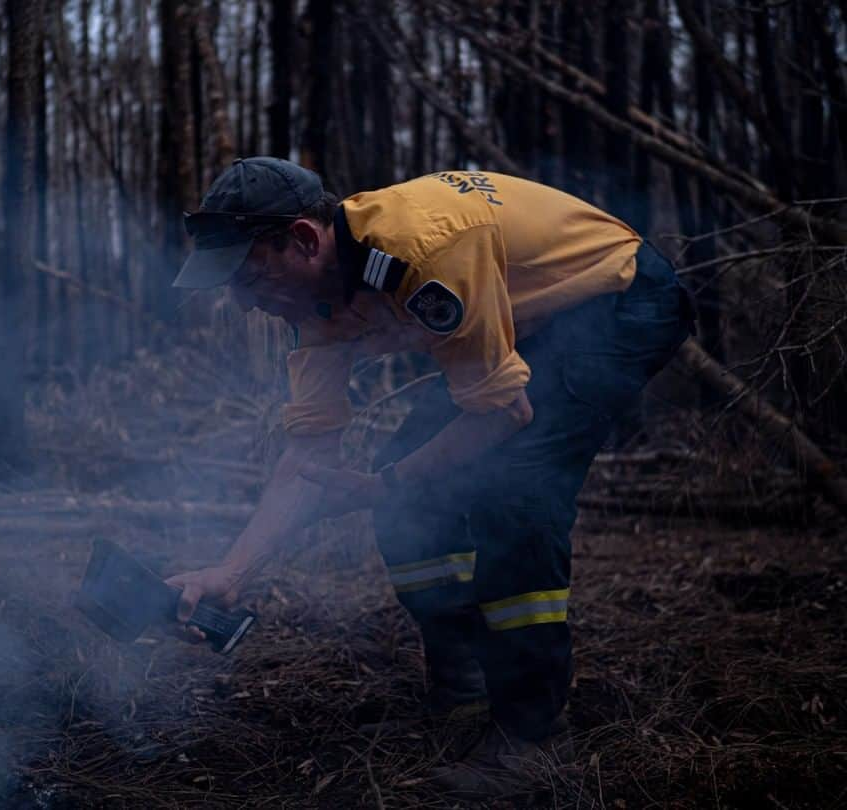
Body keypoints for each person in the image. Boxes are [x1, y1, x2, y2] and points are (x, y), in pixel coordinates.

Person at [166, 156, 692, 798]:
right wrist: (233, 570)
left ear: (304, 239)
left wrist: (391, 482)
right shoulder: (311, 302)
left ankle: (531, 737)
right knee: (413, 503)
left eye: (248, 277)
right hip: (520, 324)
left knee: (515, 494)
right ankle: (464, 692)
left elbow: (506, 411)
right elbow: (310, 459)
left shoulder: (422, 252)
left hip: (615, 300)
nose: (245, 303)